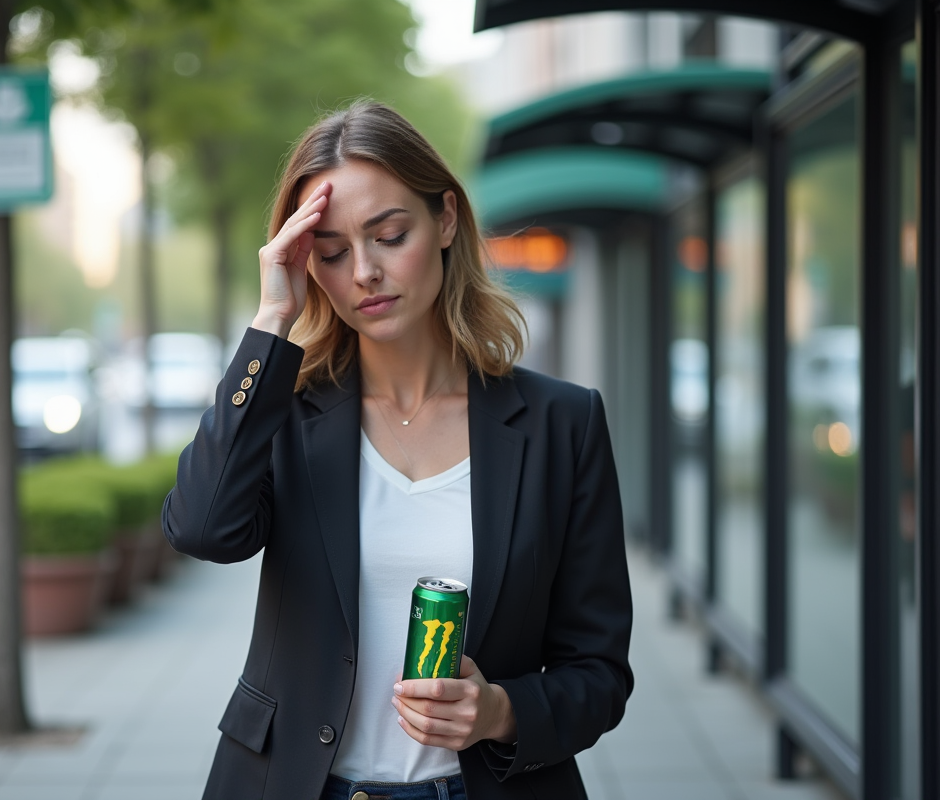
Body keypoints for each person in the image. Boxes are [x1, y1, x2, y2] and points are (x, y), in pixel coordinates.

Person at [163, 100, 633, 800]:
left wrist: (501, 711)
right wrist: (271, 323)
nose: (364, 273)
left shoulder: (563, 424)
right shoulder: (286, 415)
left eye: (388, 235)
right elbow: (204, 529)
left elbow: (598, 671)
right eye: (330, 253)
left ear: (445, 219)